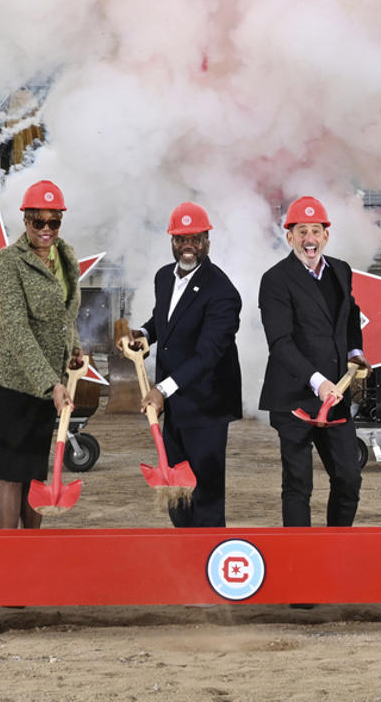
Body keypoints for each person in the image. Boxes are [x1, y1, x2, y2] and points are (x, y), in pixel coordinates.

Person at [123, 201, 242, 527]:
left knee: (205, 497)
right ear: (172, 241)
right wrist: (144, 334)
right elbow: (166, 322)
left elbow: (208, 355)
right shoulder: (164, 277)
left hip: (207, 406)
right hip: (175, 406)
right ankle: (185, 559)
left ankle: (208, 564)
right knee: (178, 496)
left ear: (207, 241)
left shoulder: (223, 292)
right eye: (180, 239)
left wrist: (161, 390)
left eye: (195, 239)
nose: (188, 246)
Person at [0, 179, 85, 529]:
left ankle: (30, 550)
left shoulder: (66, 257)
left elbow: (65, 314)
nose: (46, 229)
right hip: (10, 379)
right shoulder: (9, 261)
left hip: (48, 381)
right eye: (38, 222)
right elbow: (16, 326)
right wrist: (51, 383)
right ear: (25, 222)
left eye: (53, 221)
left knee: (35, 471)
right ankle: (6, 554)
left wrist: (75, 351)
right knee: (11, 472)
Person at [259, 195, 366, 528]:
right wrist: (318, 382)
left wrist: (355, 353)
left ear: (326, 235)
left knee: (349, 478)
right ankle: (299, 559)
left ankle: (336, 547)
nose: (309, 239)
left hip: (335, 399)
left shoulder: (342, 271)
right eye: (301, 231)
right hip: (295, 400)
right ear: (289, 236)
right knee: (298, 485)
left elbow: (350, 318)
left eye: (316, 231)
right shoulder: (274, 280)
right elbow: (280, 342)